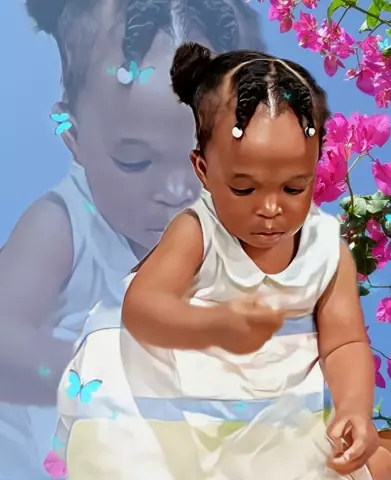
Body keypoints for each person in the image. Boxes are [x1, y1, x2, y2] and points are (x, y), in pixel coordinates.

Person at [53, 43, 391, 479]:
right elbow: (143, 308)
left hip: (266, 408)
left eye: (294, 188)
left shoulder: (326, 250)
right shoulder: (197, 232)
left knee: (315, 465)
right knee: (138, 458)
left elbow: (344, 343)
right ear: (203, 170)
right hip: (175, 396)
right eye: (244, 189)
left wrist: (354, 408)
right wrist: (216, 324)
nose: (270, 208)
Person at [0, 1, 265, 478]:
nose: (177, 191)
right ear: (74, 137)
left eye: (204, 161)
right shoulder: (63, 226)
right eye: (135, 162)